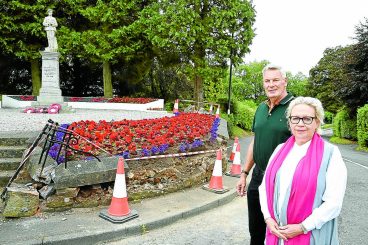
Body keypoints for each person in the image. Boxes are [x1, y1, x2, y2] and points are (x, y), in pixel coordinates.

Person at [259, 97, 347, 244]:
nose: (300, 124)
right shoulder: (280, 150)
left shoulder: (331, 154)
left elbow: (334, 202)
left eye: (307, 119)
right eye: (295, 118)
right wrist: (268, 218)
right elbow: (264, 188)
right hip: (276, 234)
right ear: (290, 121)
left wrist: (303, 227)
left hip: (311, 235)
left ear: (317, 122)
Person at [236, 64, 294, 245]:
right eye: (267, 81)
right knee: (256, 231)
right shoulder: (261, 108)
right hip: (258, 177)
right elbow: (256, 140)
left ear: (284, 81)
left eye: (275, 80)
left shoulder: (295, 107)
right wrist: (244, 173)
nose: (271, 84)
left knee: (279, 232)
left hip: (282, 180)